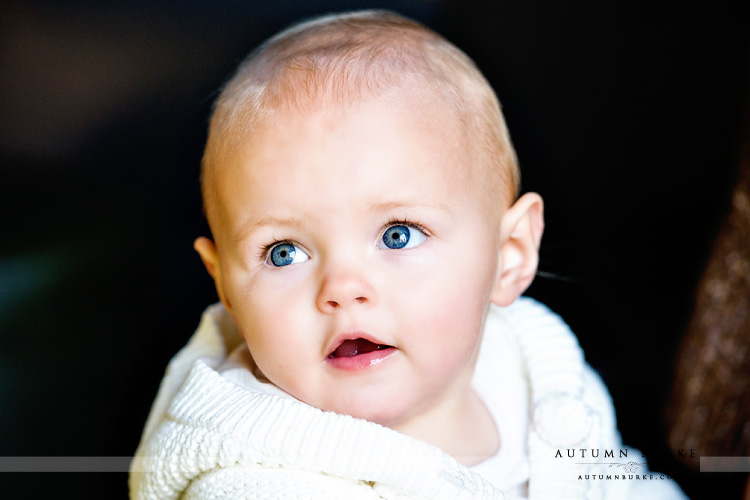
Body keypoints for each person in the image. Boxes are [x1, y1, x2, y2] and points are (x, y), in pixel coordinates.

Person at [130, 10, 687, 499]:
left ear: (509, 255)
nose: (343, 287)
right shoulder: (252, 479)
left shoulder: (539, 374)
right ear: (224, 285)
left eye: (398, 234)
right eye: (283, 252)